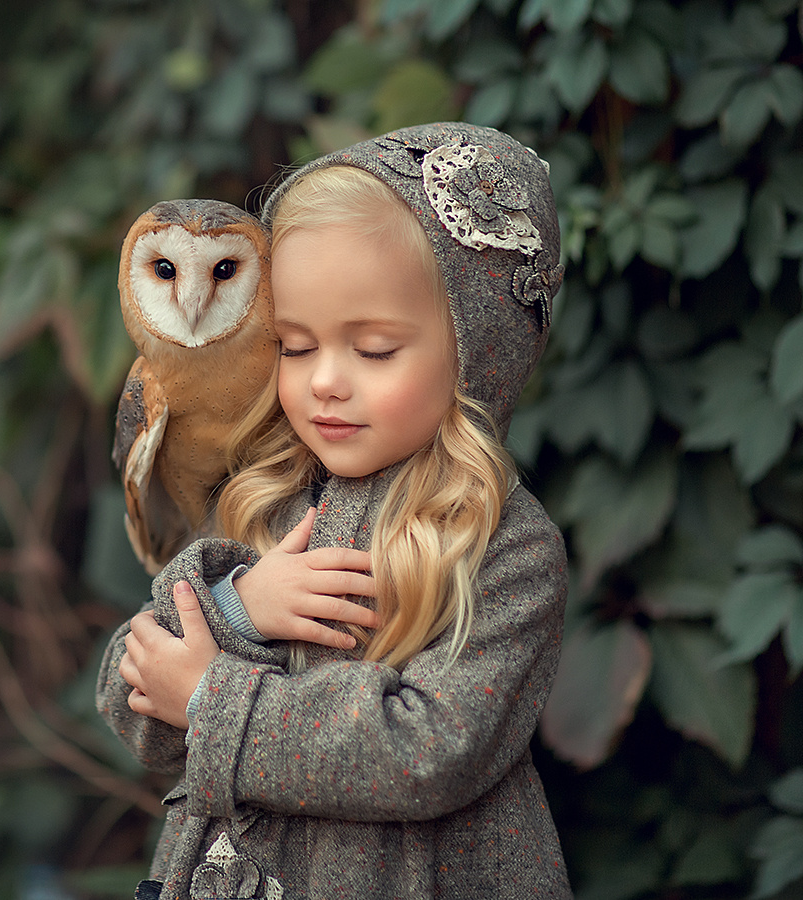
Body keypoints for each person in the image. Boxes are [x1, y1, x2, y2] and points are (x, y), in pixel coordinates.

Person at [96, 122, 571, 899]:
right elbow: (131, 694)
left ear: (476, 354)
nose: (323, 381)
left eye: (374, 349)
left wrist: (214, 700)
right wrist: (237, 611)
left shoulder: (501, 546)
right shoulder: (265, 498)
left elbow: (430, 753)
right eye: (295, 346)